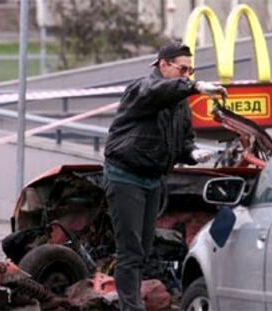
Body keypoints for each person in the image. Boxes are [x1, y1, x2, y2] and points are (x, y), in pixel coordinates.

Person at [103, 42, 227, 311]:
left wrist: (194, 153)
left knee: (142, 250)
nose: (187, 75)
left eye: (190, 70)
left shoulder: (180, 104)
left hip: (152, 180)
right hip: (125, 177)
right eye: (183, 69)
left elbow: (183, 140)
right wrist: (195, 87)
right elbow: (156, 92)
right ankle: (130, 307)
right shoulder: (142, 89)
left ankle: (132, 303)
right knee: (130, 251)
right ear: (163, 65)